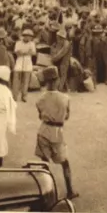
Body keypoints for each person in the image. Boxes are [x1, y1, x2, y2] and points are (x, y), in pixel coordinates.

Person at [34, 66, 79, 199]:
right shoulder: (65, 98)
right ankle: (70, 191)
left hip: (43, 131)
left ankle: (46, 192)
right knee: (64, 162)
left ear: (46, 82)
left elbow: (40, 116)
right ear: (57, 79)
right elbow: (66, 117)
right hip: (57, 133)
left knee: (44, 163)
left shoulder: (40, 99)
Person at [13, 29, 36, 102]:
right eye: (26, 36)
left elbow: (33, 53)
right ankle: (14, 96)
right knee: (16, 80)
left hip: (28, 62)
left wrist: (23, 52)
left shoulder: (32, 43)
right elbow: (17, 52)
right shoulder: (18, 43)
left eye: (30, 36)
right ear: (24, 36)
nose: (28, 38)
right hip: (19, 62)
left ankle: (24, 96)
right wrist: (27, 52)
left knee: (26, 81)